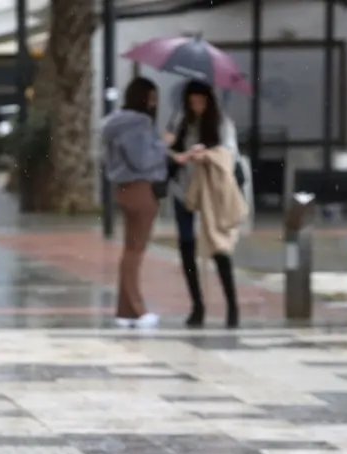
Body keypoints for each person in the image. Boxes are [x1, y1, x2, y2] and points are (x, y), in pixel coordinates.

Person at [166, 80, 242, 328]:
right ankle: (197, 305)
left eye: (200, 102)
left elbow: (229, 154)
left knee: (218, 245)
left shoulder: (222, 123)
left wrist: (207, 154)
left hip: (211, 191)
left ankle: (232, 306)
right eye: (192, 103)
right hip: (183, 190)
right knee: (186, 244)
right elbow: (169, 148)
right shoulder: (181, 120)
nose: (196, 107)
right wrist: (179, 154)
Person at [100, 77, 174, 329]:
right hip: (141, 188)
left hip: (124, 188)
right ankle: (138, 309)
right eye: (150, 98)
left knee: (130, 251)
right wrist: (163, 145)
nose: (154, 104)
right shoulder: (139, 123)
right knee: (135, 252)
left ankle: (125, 310)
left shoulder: (115, 124)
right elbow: (143, 159)